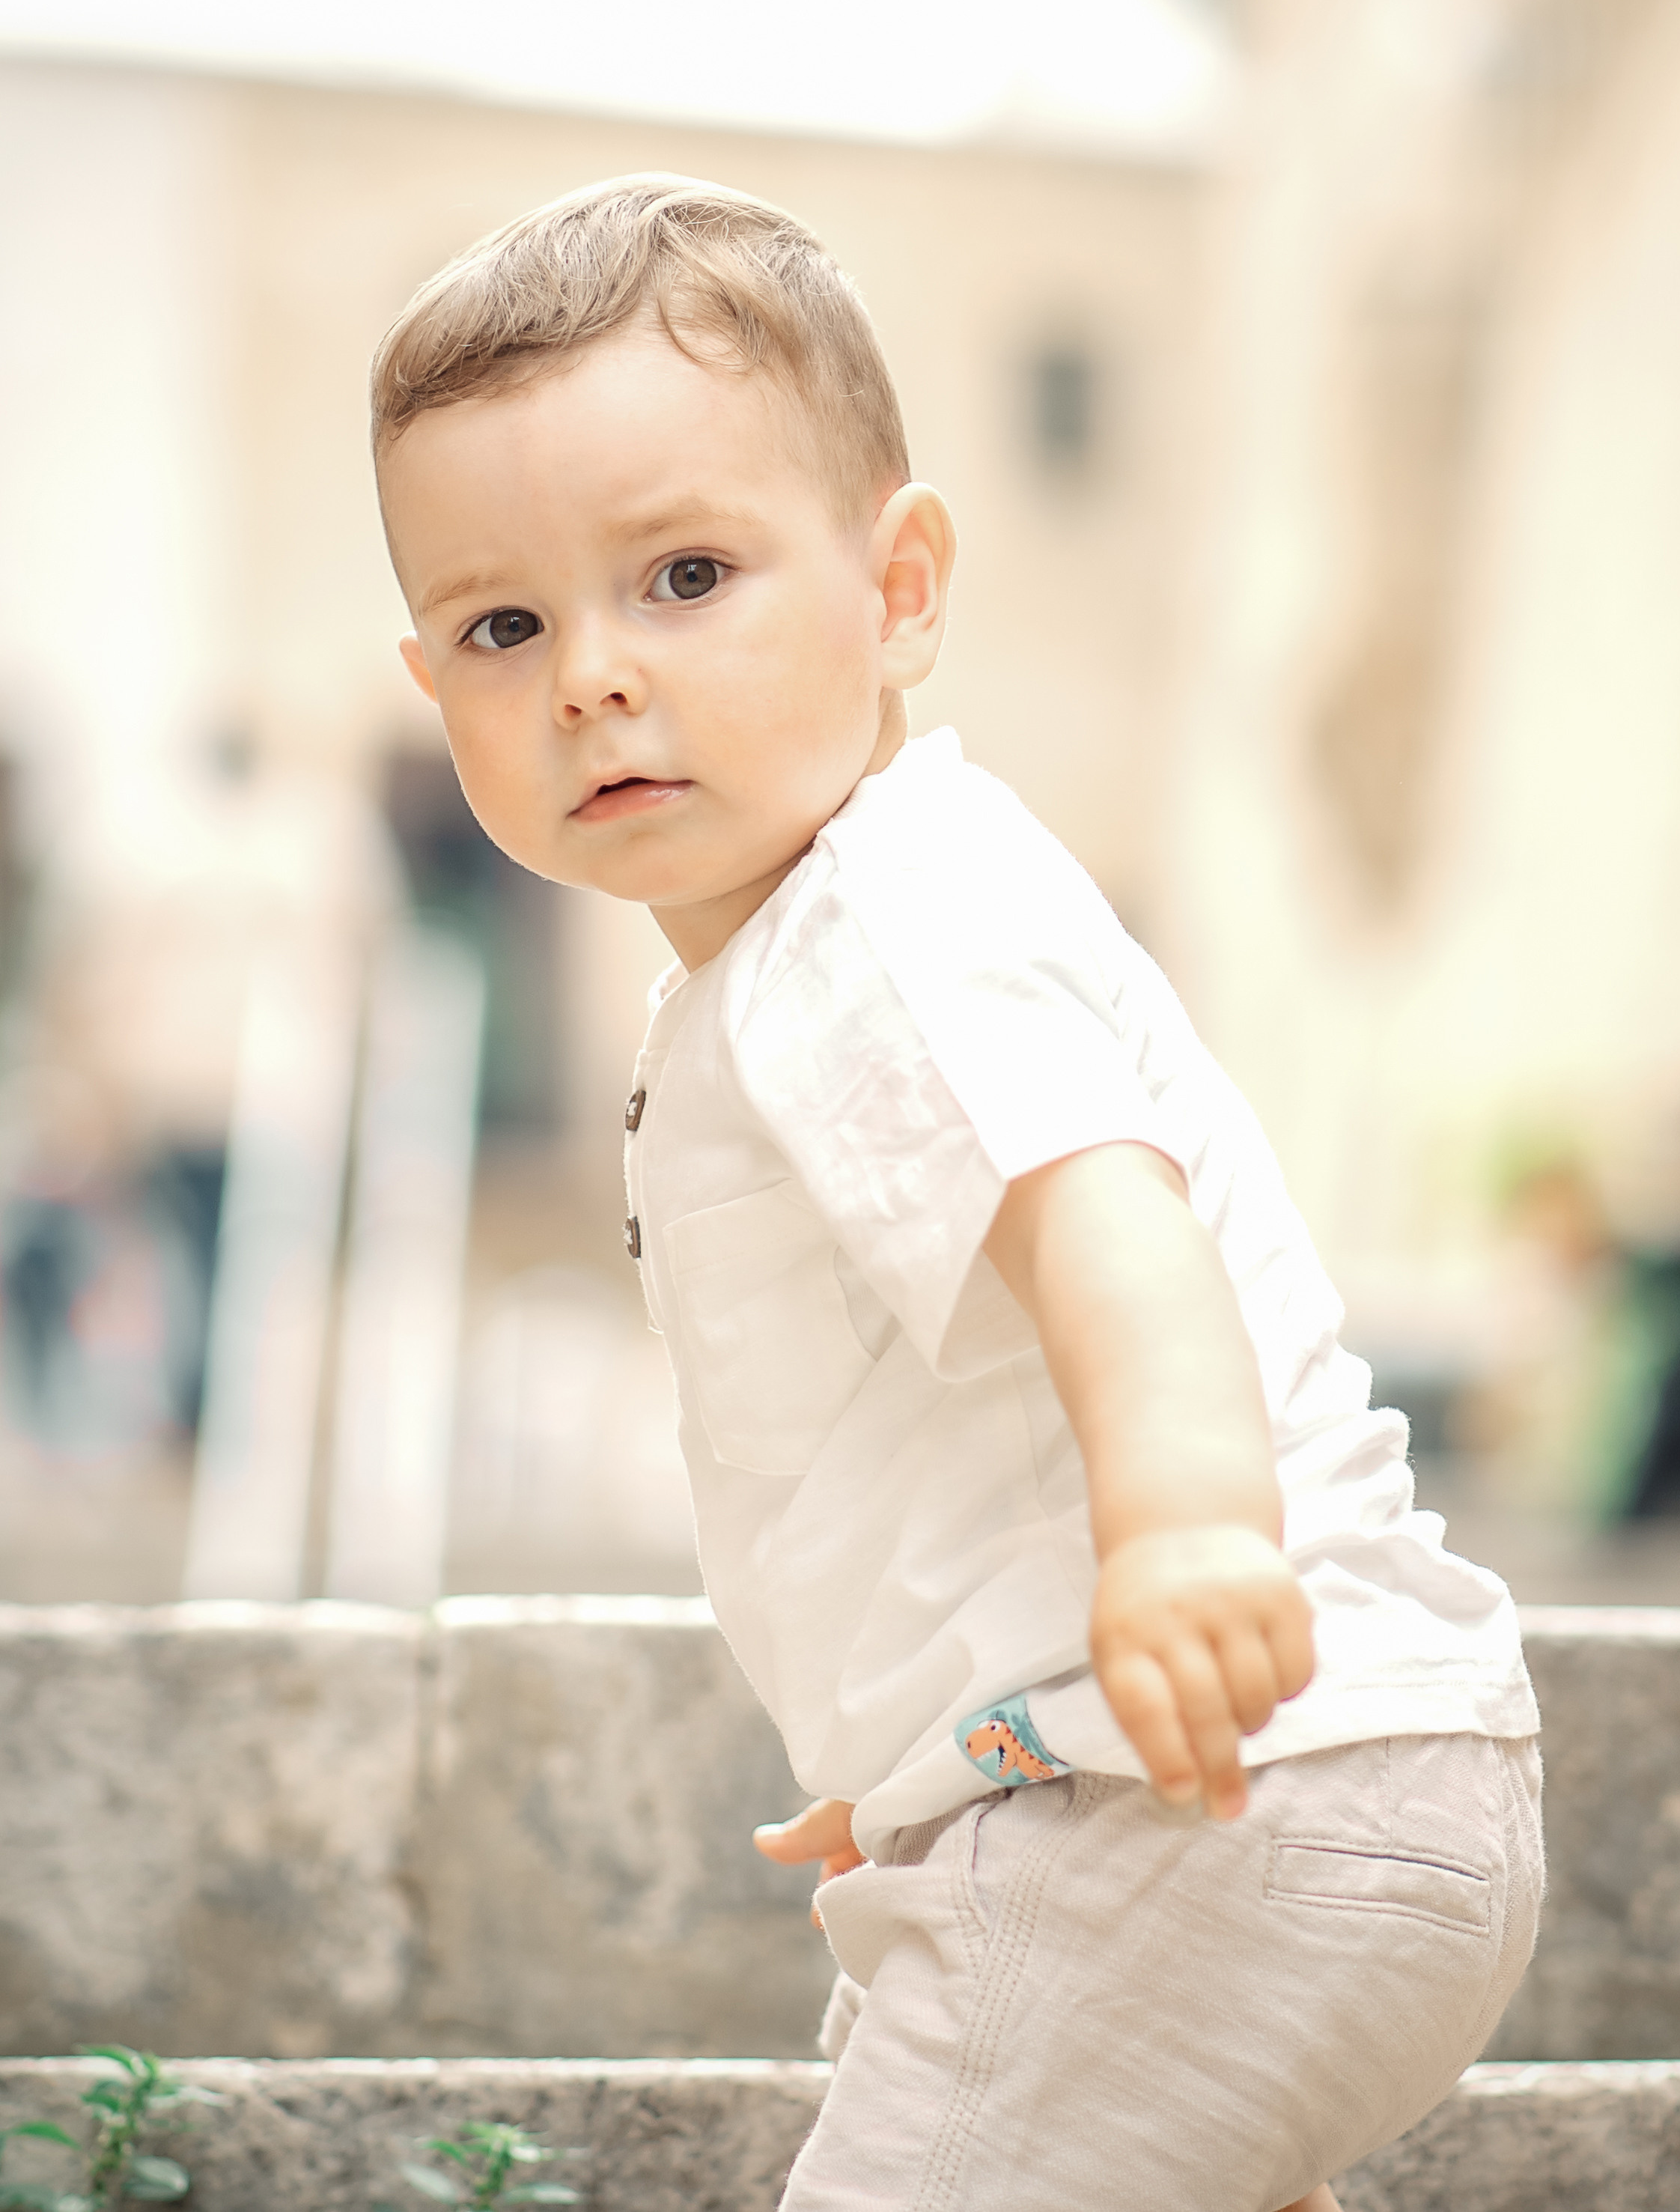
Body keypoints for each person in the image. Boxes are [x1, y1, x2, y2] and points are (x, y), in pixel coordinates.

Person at [371, 177, 1544, 2212]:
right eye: (505, 626)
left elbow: (1104, 1210)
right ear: (433, 686)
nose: (589, 676)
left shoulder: (881, 917)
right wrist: (936, 1751)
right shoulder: (801, 952)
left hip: (1215, 1792)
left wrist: (1184, 1536)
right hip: (1246, 1793)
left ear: (900, 587)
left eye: (685, 575)